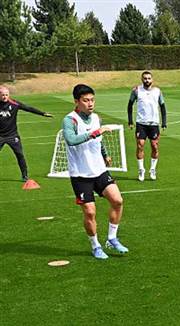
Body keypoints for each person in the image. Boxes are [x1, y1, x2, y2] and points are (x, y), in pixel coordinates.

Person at [63, 84, 128, 260]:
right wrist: (94, 132)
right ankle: (95, 246)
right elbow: (70, 140)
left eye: (92, 100)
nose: (90, 104)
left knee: (117, 200)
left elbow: (98, 140)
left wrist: (105, 154)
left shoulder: (96, 117)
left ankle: (112, 238)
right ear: (77, 101)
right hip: (80, 175)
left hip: (99, 170)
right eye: (86, 100)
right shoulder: (70, 120)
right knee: (90, 212)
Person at [0, 85, 53, 181]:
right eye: (2, 95)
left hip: (12, 135)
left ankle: (24, 175)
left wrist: (42, 113)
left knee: (20, 154)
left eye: (6, 95)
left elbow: (28, 108)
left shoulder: (14, 103)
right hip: (0, 136)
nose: (5, 97)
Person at [127, 70, 167, 181]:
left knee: (154, 146)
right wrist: (130, 121)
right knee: (140, 145)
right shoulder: (136, 91)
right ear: (142, 79)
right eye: (145, 78)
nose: (147, 80)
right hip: (141, 123)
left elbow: (163, 107)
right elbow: (129, 105)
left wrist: (164, 122)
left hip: (154, 123)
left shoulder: (158, 91)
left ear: (152, 80)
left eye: (149, 78)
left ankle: (153, 169)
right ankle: (141, 170)